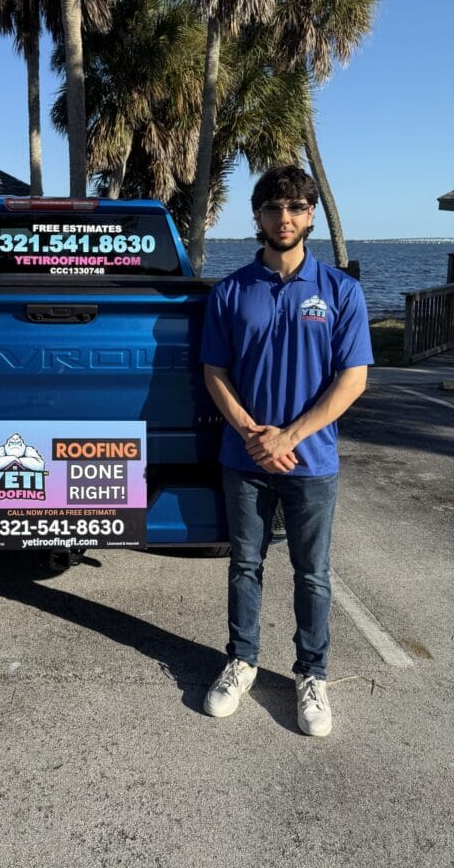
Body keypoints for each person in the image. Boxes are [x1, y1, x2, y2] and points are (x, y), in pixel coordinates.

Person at [200, 165, 373, 737]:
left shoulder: (340, 291)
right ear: (257, 216)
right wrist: (255, 434)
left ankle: (312, 674)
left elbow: (352, 379)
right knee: (245, 565)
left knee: (313, 574)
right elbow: (214, 371)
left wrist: (289, 436)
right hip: (243, 458)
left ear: (310, 216)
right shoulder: (231, 292)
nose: (285, 218)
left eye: (297, 207)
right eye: (274, 208)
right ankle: (242, 661)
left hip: (312, 461)